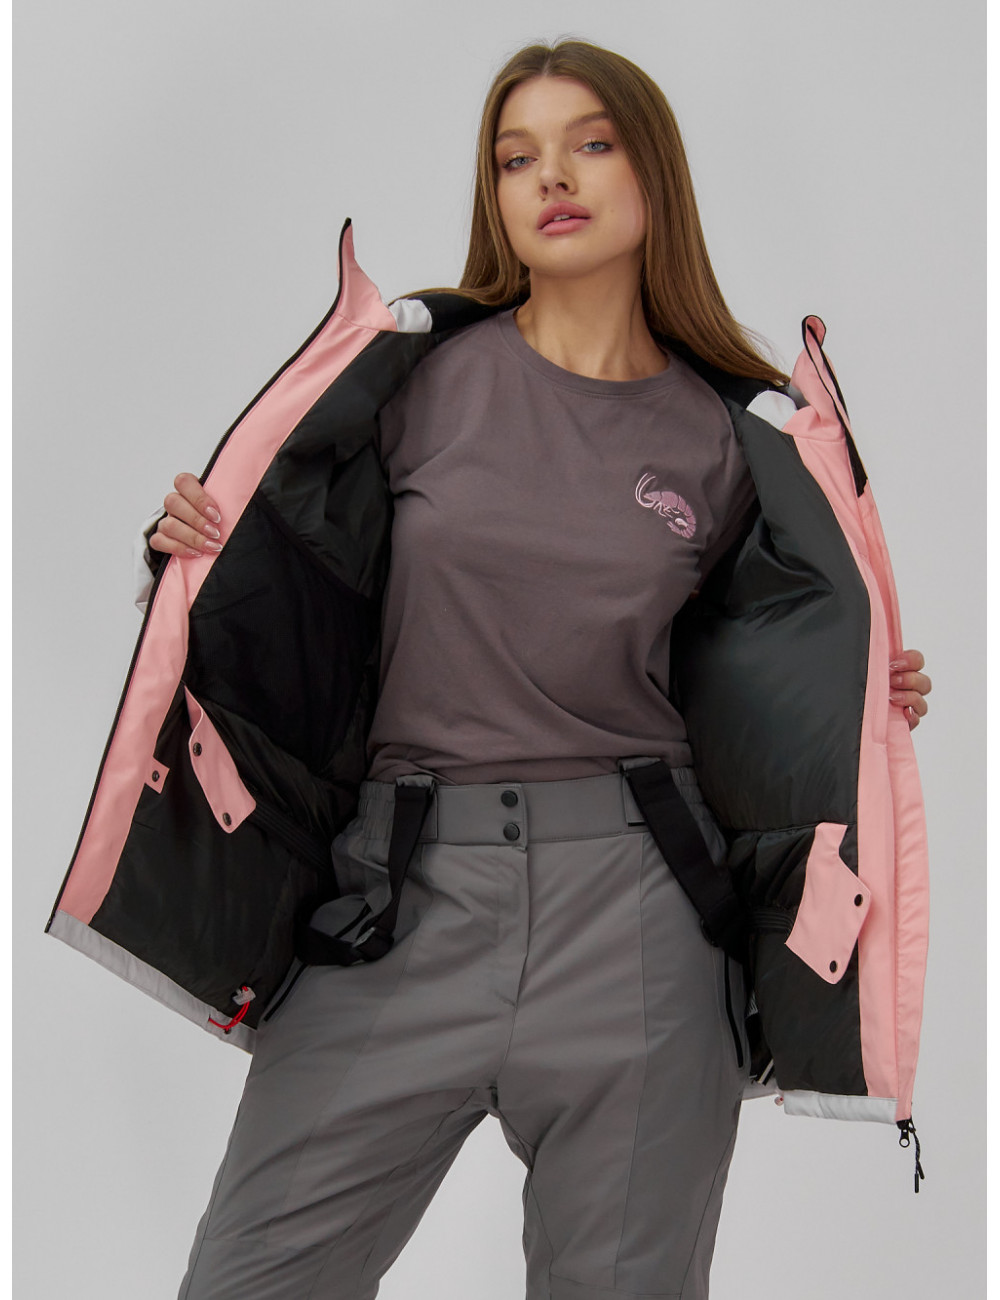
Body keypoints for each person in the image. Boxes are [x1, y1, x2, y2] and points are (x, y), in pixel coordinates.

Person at [57, 39, 932, 1300]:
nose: (551, 177)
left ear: (652, 175)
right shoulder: (413, 379)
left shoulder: (729, 438)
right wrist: (191, 554)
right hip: (399, 898)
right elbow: (297, 583)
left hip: (637, 919)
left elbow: (765, 665)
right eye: (517, 158)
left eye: (590, 144)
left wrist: (864, 694)